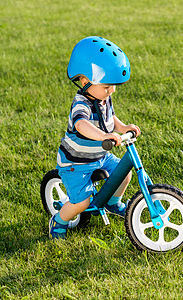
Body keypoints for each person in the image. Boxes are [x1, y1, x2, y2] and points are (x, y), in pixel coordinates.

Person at [49, 36, 140, 239]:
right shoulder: (81, 102)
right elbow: (82, 125)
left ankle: (112, 202)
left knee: (124, 173)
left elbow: (111, 118)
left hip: (99, 155)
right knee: (82, 202)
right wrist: (104, 136)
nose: (112, 91)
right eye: (107, 87)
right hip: (76, 162)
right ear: (85, 81)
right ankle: (59, 220)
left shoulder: (103, 97)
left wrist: (123, 127)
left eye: (113, 86)